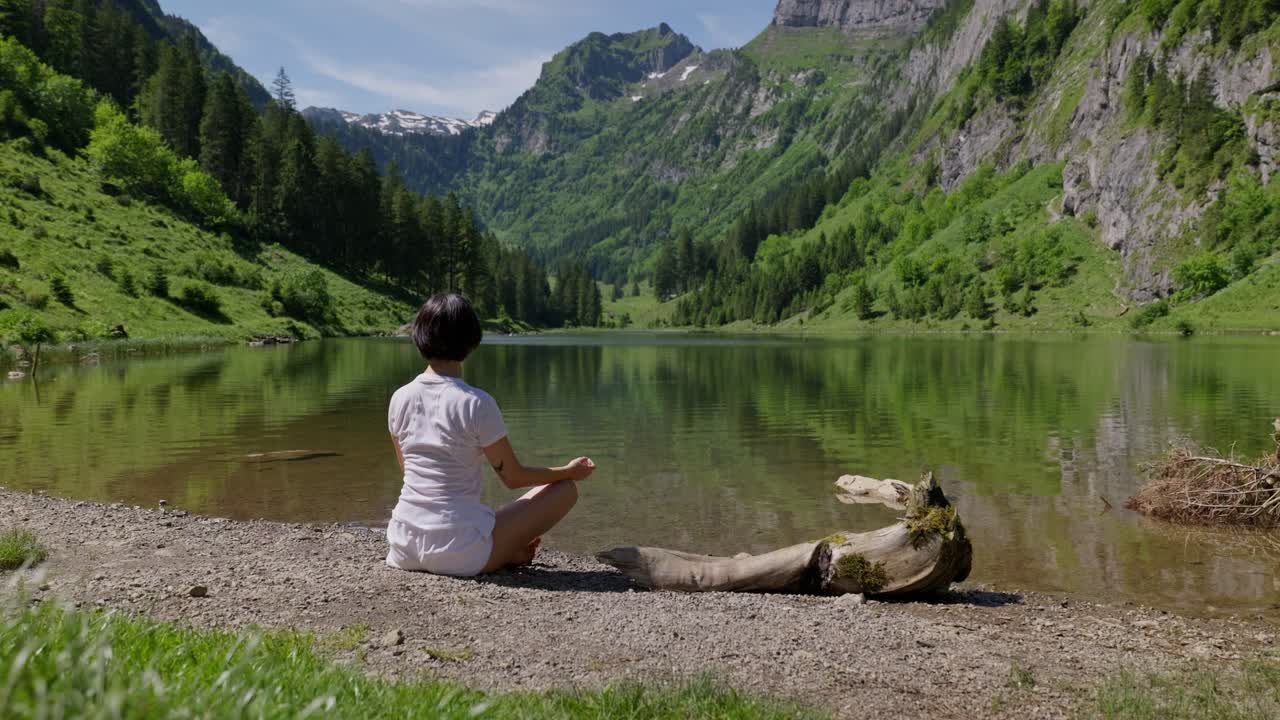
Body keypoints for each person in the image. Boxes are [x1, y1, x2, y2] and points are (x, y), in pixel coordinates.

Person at [385, 293, 595, 577]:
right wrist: (568, 471)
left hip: (402, 545)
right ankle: (506, 551)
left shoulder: (400, 398)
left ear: (419, 336)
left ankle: (507, 550)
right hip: (459, 553)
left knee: (480, 516)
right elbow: (513, 478)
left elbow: (407, 469)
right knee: (565, 489)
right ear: (472, 341)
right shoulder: (476, 402)